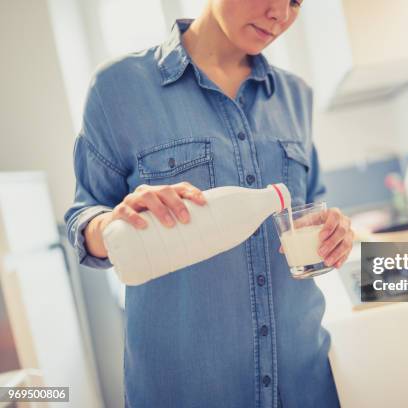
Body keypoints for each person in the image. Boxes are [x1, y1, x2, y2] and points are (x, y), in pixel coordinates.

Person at [64, 0, 354, 406]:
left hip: (304, 383)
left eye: (296, 1)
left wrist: (334, 230)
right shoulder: (118, 88)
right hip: (188, 391)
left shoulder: (295, 95)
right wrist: (115, 220)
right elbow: (83, 220)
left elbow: (313, 204)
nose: (281, 14)